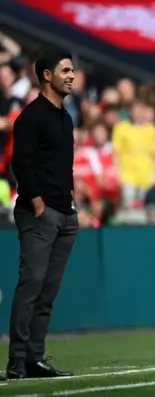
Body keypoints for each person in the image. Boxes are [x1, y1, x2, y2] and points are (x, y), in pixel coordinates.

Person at [3, 49, 78, 380]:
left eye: (72, 70)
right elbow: (20, 162)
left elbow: (63, 166)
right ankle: (17, 361)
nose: (72, 75)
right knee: (31, 286)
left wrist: (71, 202)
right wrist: (37, 204)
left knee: (47, 292)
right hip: (40, 213)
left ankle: (34, 357)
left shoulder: (66, 117)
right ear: (47, 75)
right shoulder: (31, 116)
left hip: (65, 213)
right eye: (65, 70)